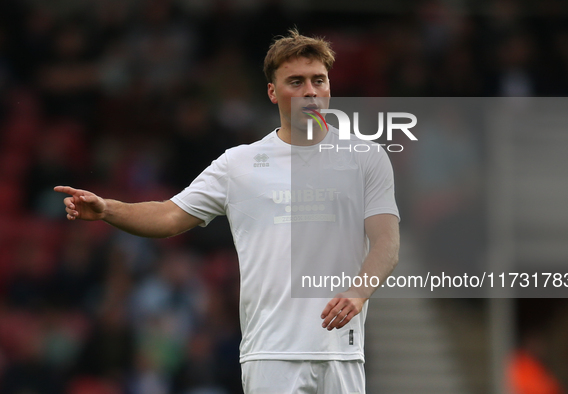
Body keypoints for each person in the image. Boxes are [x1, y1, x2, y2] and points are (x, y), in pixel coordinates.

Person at [55, 29, 400, 394]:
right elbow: (170, 216)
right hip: (270, 354)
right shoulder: (239, 164)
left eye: (319, 80)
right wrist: (109, 209)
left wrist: (359, 292)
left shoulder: (366, 158)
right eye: (295, 82)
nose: (310, 91)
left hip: (341, 353)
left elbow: (386, 244)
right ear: (272, 92)